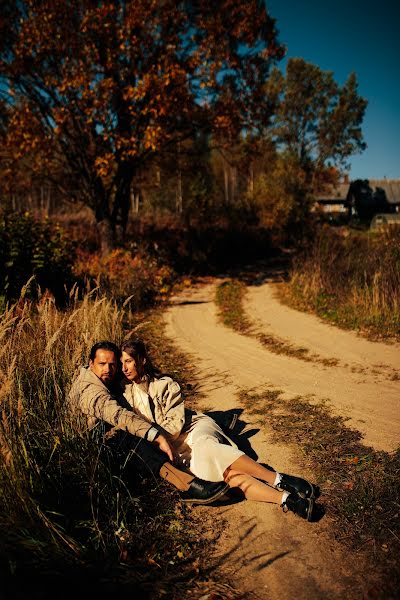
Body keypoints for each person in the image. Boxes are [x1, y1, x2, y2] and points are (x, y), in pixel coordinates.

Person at [119, 339, 320, 521]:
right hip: (176, 451)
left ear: (142, 360)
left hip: (193, 430)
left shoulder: (165, 385)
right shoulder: (126, 394)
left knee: (208, 449)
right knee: (224, 475)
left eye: (128, 361)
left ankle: (279, 479)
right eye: (121, 363)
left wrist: (149, 433)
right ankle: (286, 500)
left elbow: (174, 426)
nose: (124, 368)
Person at [68, 341, 229, 504]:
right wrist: (157, 436)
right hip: (91, 451)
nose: (108, 369)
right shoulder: (88, 390)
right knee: (127, 437)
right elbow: (118, 416)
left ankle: (215, 422)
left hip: (108, 438)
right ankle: (185, 484)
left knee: (134, 426)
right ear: (91, 363)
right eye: (102, 364)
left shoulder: (104, 377)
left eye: (112, 364)